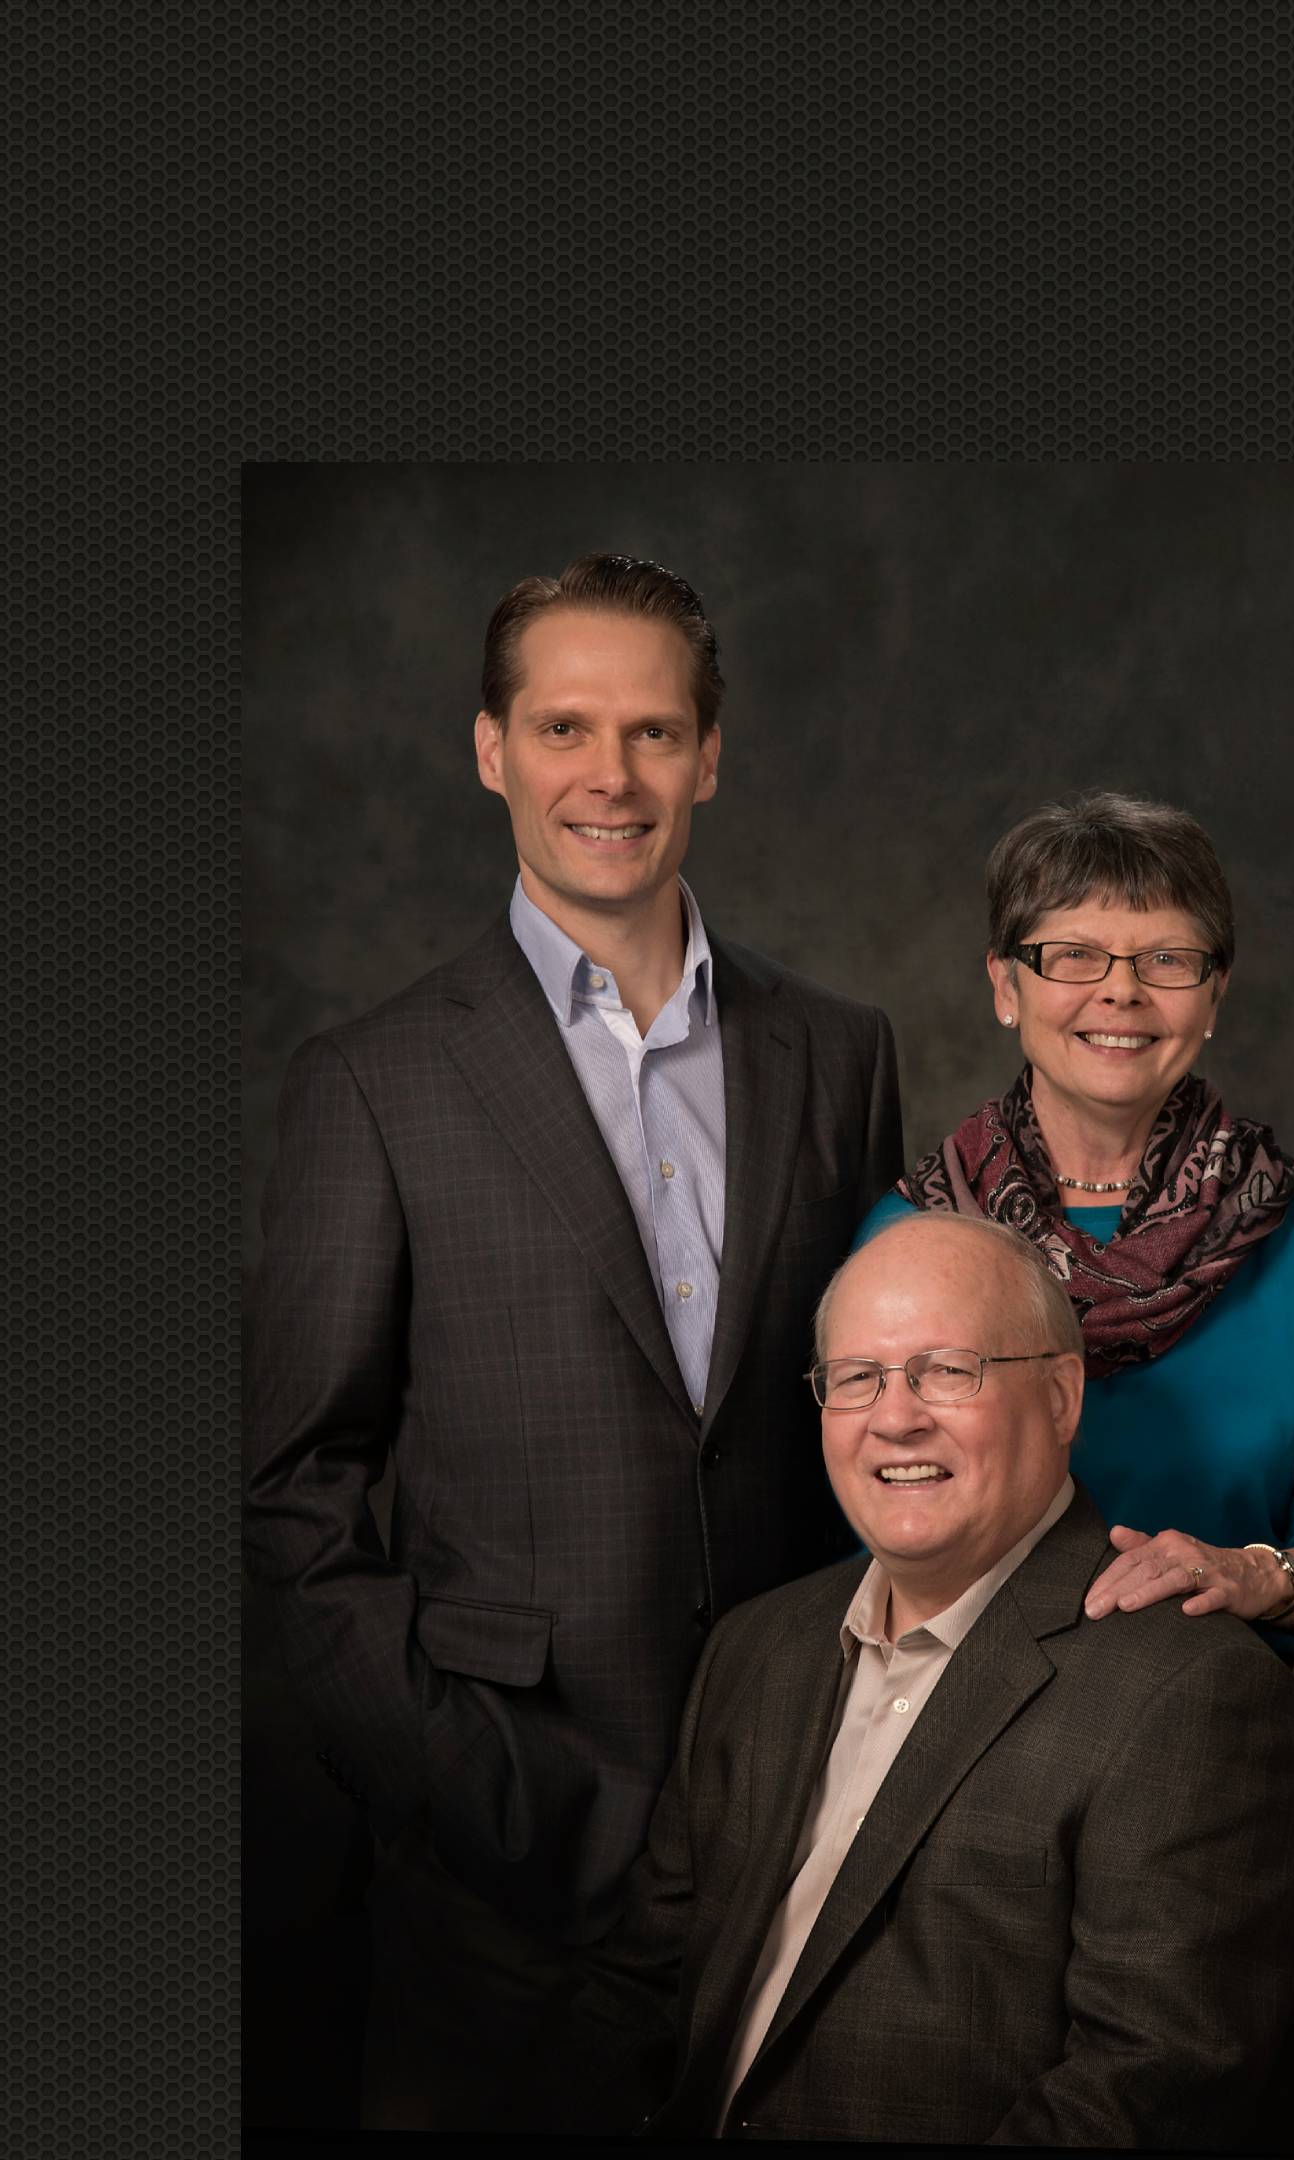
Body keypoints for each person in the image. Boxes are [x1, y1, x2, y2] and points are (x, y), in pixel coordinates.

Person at [241, 553, 904, 2130]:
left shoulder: (837, 1053)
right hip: (503, 1868)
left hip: (801, 1839)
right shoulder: (376, 1080)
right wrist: (487, 1795)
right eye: (562, 728)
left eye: (655, 734)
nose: (609, 776)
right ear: (490, 750)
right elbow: (297, 1493)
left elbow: (874, 1423)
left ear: (711, 757)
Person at [548, 1211, 1294, 2143]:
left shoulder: (1190, 1695)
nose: (895, 1415)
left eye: (947, 1371)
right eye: (856, 1378)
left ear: (1063, 1398)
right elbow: (644, 1985)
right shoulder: (756, 1651)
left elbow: (1148, 2094)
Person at [863, 791, 1294, 1648]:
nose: (1121, 992)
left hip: (1230, 1694)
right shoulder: (911, 1240)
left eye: (1167, 960)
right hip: (966, 1703)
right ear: (1006, 986)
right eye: (1073, 955)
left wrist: (1253, 1573)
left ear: (1215, 995)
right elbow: (863, 1529)